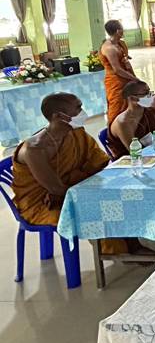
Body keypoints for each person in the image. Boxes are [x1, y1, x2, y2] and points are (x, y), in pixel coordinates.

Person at [11, 93, 129, 254]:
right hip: (42, 204)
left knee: (121, 192)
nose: (83, 112)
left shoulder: (75, 133)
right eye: (78, 108)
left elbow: (98, 163)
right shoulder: (35, 149)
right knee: (96, 208)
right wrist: (83, 191)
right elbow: (56, 190)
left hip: (73, 189)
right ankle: (118, 252)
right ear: (59, 116)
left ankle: (132, 241)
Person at [108, 81, 155, 158]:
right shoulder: (123, 122)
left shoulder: (150, 112)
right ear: (132, 98)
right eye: (145, 93)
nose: (150, 96)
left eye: (149, 92)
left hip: (154, 152)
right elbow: (135, 152)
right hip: (133, 161)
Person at [99, 20, 138, 125]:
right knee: (117, 106)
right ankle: (113, 131)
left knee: (129, 104)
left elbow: (124, 58)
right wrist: (134, 79)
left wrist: (126, 59)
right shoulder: (109, 48)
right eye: (122, 28)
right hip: (116, 81)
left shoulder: (120, 43)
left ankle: (129, 126)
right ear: (118, 31)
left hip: (126, 78)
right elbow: (117, 69)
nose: (123, 30)